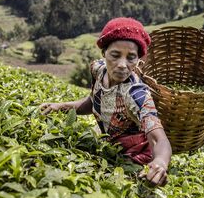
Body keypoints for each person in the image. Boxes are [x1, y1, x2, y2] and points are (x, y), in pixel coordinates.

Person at [40, 17, 172, 186]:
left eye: (131, 57)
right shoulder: (98, 70)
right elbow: (94, 101)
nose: (122, 65)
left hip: (135, 158)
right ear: (104, 54)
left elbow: (159, 139)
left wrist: (160, 163)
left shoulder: (137, 94)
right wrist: (60, 107)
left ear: (138, 60)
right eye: (115, 55)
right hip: (108, 145)